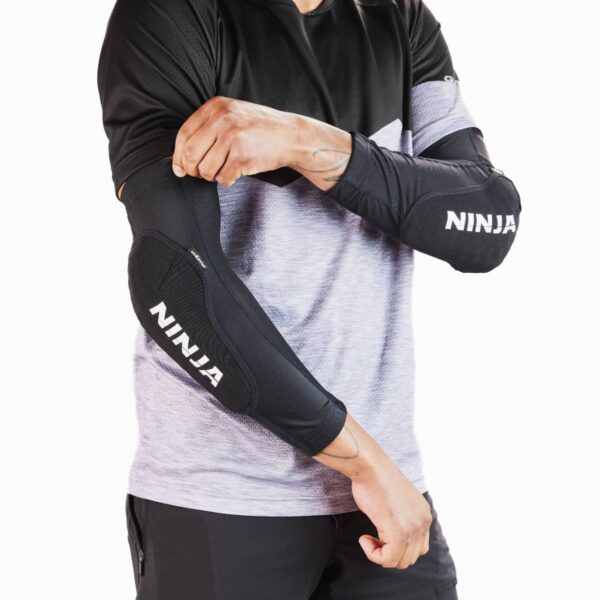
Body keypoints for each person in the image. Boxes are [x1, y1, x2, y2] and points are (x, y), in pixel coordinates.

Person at [97, 0, 521, 598]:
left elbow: (488, 220)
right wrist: (361, 461)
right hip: (227, 496)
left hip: (385, 498)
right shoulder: (172, 13)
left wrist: (312, 144)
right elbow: (175, 283)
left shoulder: (399, 17)